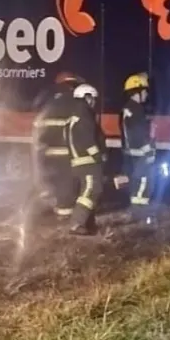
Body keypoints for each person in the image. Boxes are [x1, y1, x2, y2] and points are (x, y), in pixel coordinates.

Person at [32, 71, 83, 221]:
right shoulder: (74, 104)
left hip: (51, 154)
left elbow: (39, 132)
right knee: (67, 187)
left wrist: (42, 152)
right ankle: (66, 219)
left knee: (58, 186)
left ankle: (60, 213)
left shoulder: (48, 105)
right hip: (68, 154)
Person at [67, 83, 106, 236]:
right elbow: (88, 140)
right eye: (93, 99)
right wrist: (98, 156)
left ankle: (88, 223)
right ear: (87, 98)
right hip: (87, 161)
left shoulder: (74, 116)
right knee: (92, 190)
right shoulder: (85, 115)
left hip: (78, 160)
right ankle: (77, 224)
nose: (94, 102)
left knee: (89, 191)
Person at [121, 72, 156, 224]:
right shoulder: (137, 110)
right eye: (144, 90)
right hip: (141, 153)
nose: (146, 93)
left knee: (136, 182)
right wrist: (149, 151)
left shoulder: (126, 109)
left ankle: (137, 212)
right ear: (138, 91)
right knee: (144, 182)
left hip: (131, 153)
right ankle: (140, 214)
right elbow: (140, 133)